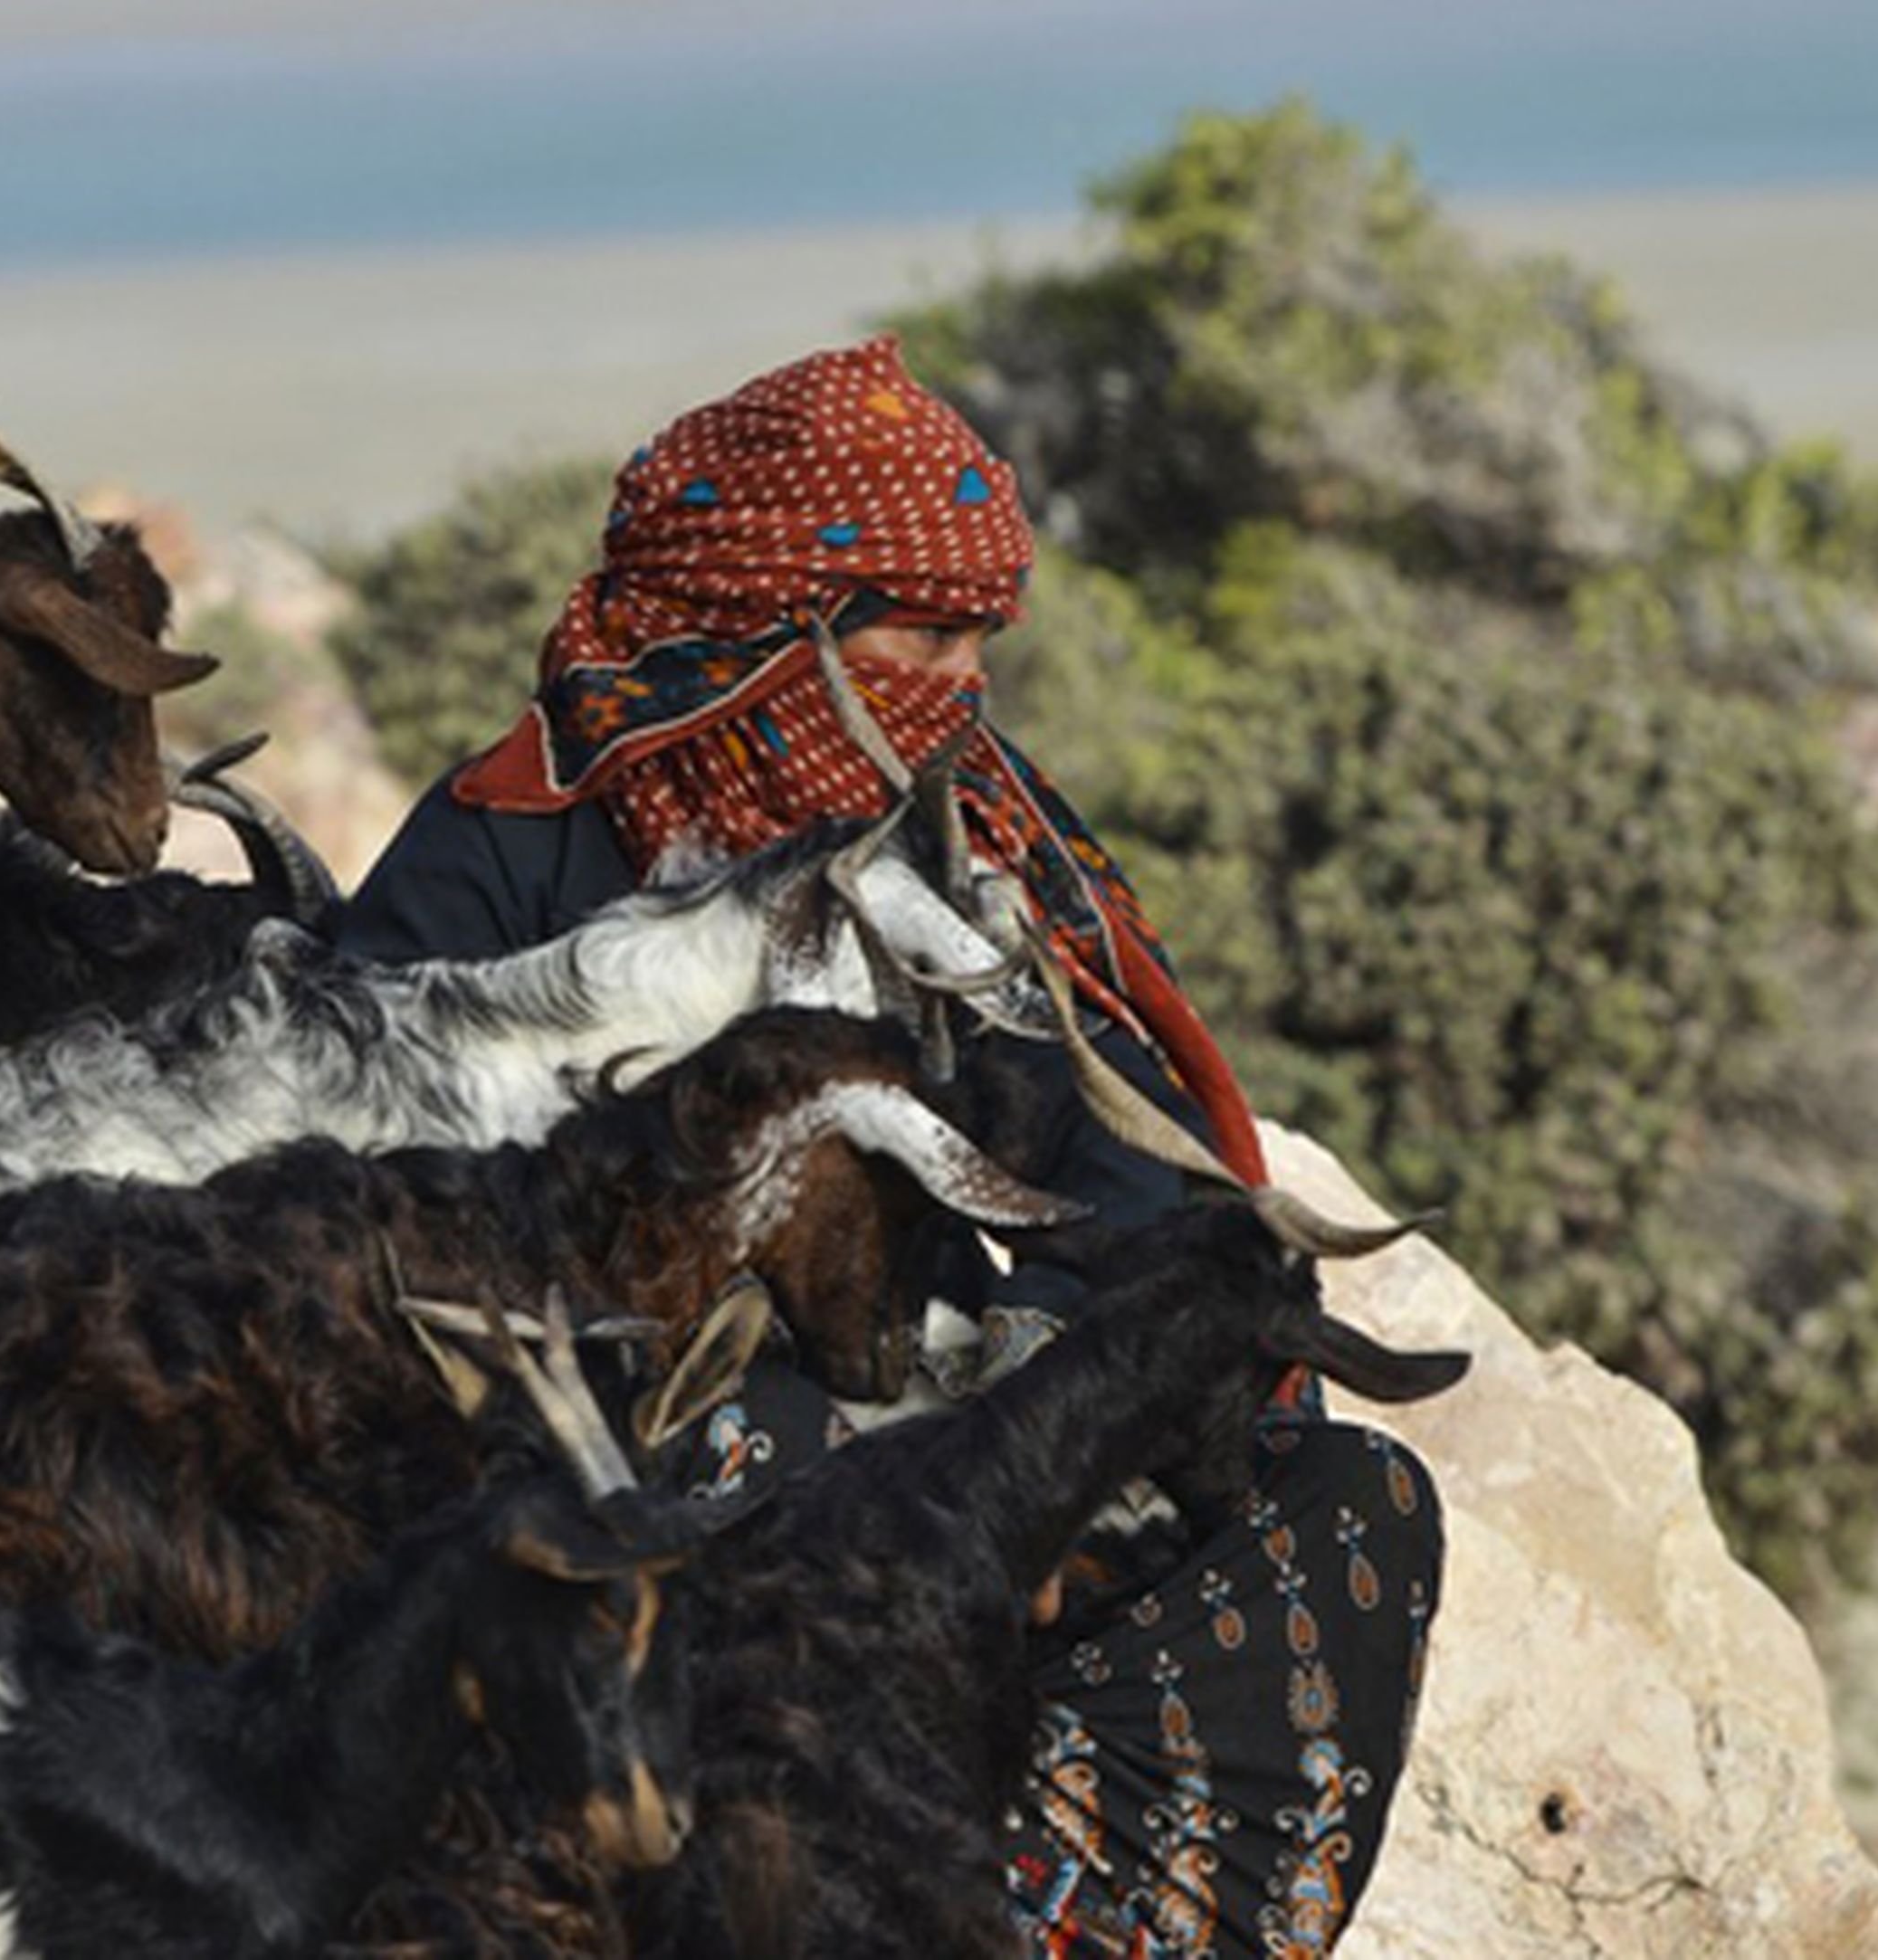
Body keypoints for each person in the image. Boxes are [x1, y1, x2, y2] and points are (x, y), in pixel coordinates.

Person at [334, 337, 1444, 1959]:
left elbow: (1115, 1170)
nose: (964, 688)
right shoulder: (503, 854)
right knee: (757, 1452)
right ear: (779, 617)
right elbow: (369, 1222)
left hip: (932, 1429)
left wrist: (1068, 1404)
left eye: (986, 642)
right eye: (927, 635)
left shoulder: (960, 837)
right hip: (636, 1430)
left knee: (1344, 1493)